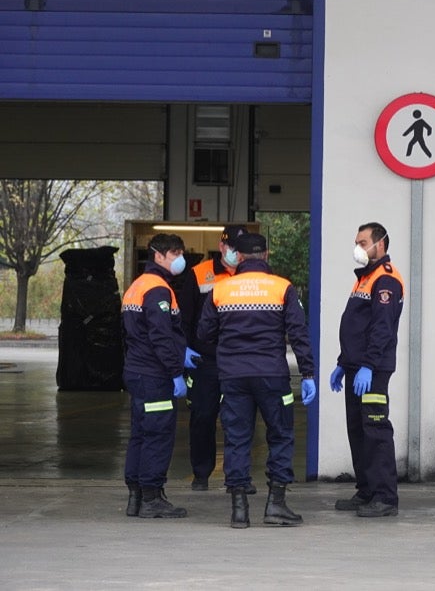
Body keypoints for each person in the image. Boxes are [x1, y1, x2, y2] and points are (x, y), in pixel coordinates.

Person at [196, 232, 316, 529]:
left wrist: (229, 344)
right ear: (266, 254)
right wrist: (308, 373)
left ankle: (239, 510)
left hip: (233, 376)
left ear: (239, 256)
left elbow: (203, 334)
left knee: (237, 439)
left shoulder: (221, 289)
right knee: (281, 435)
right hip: (271, 375)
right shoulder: (282, 288)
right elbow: (298, 334)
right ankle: (276, 505)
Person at [329, 222, 405, 518]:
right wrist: (341, 362)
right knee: (358, 430)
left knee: (375, 430)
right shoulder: (365, 278)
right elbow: (356, 327)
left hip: (372, 370)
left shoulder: (386, 280)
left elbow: (381, 329)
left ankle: (385, 497)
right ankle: (367, 491)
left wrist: (368, 366)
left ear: (380, 244)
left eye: (363, 242)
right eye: (357, 242)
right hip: (355, 367)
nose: (358, 247)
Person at [174, 223, 251, 492]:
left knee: (239, 419)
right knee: (202, 417)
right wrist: (183, 348)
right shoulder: (199, 274)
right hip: (205, 360)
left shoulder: (252, 275)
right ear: (221, 246)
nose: (236, 254)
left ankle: (238, 477)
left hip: (240, 358)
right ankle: (202, 474)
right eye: (232, 248)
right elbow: (184, 318)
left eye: (241, 249)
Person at [121, 232, 190, 519]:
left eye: (180, 253)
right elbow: (160, 335)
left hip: (137, 371)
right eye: (173, 254)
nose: (179, 259)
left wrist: (182, 349)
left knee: (140, 433)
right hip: (155, 375)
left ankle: (136, 497)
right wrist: (176, 371)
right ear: (157, 255)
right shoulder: (158, 289)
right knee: (158, 435)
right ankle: (152, 497)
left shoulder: (137, 285)